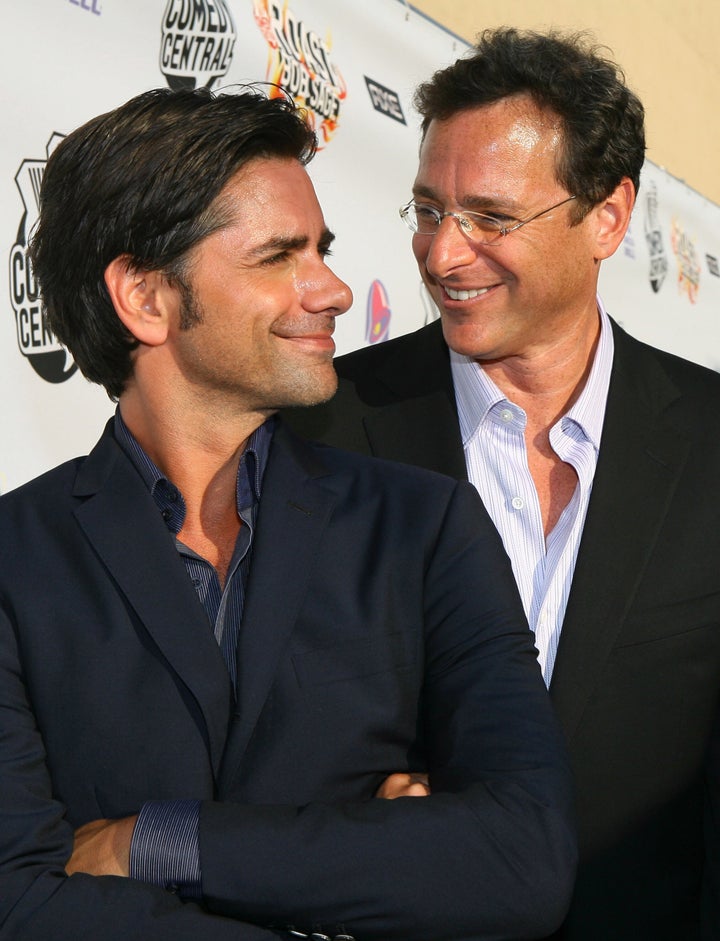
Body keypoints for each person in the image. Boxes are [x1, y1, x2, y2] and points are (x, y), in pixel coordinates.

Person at [0, 86, 576, 941]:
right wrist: (370, 874)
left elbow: (522, 857)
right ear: (145, 298)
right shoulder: (16, 558)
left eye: (323, 250)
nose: (335, 290)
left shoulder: (421, 529)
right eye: (279, 256)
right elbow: (19, 902)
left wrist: (159, 840)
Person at [284, 27, 720, 941]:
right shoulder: (320, 430)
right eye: (430, 211)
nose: (444, 255)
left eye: (490, 217)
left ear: (606, 215)